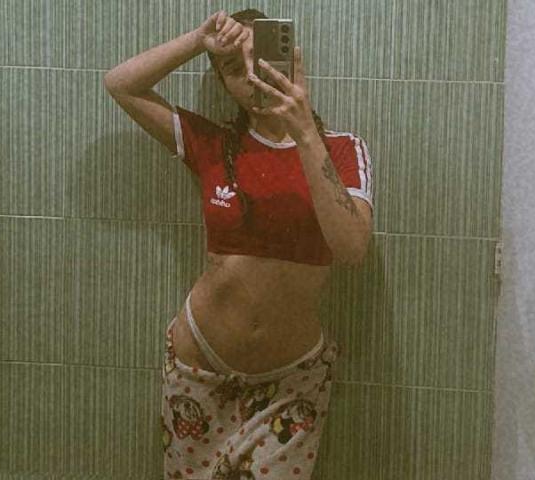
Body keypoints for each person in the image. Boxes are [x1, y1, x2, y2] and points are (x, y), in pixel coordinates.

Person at [104, 8, 374, 479]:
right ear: (224, 84)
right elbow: (121, 84)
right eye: (234, 68)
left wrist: (302, 130)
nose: (251, 77)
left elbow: (351, 249)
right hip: (199, 370)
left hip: (291, 385)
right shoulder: (213, 144)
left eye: (261, 60)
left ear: (290, 60)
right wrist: (199, 40)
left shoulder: (342, 150)